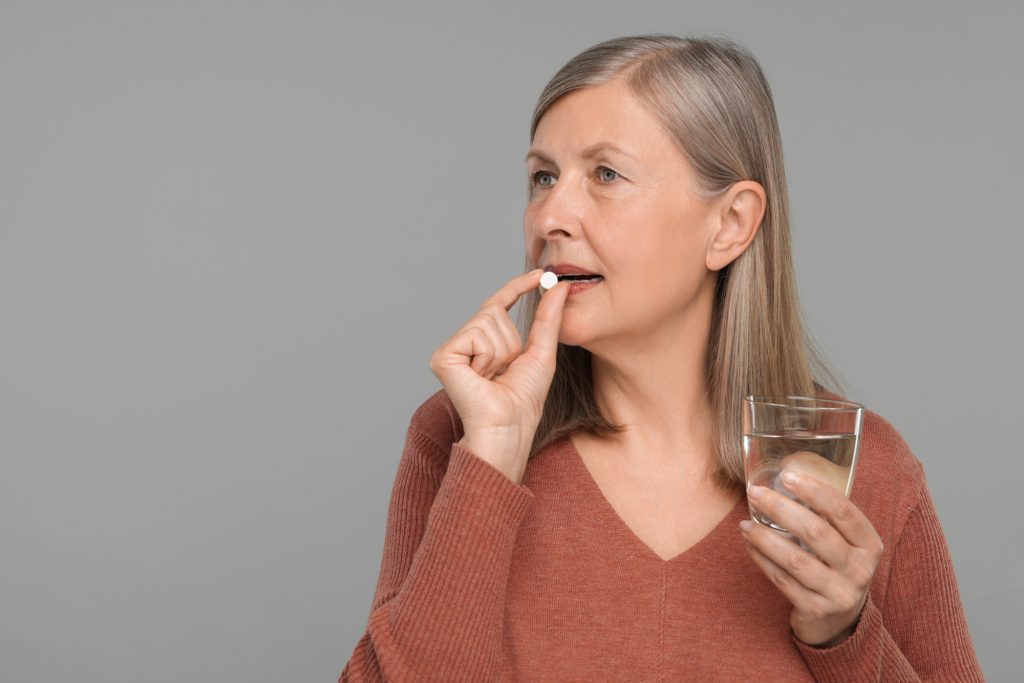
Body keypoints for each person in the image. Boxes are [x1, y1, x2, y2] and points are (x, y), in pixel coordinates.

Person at [339, 33, 984, 681]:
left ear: (730, 224)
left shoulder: (864, 467)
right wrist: (492, 457)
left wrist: (843, 633)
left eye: (606, 174)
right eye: (543, 176)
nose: (551, 216)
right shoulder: (460, 434)